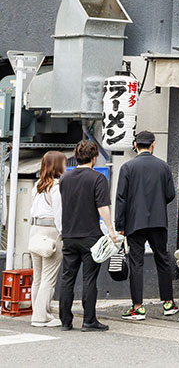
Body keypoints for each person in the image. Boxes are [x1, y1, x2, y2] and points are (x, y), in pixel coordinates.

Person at [114, 130, 178, 321]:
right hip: (158, 220)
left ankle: (138, 307)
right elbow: (170, 195)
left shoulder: (127, 167)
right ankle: (168, 303)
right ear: (152, 144)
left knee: (136, 262)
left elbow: (121, 198)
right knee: (162, 259)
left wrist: (120, 224)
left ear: (135, 145)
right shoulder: (163, 166)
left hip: (135, 221)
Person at [57, 140, 117, 332]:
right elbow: (102, 207)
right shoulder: (98, 179)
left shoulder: (65, 178)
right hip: (90, 236)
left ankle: (65, 321)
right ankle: (89, 320)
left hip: (68, 235)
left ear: (76, 156)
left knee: (67, 278)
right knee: (89, 278)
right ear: (94, 157)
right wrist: (110, 229)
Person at [28, 151, 65, 328]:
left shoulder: (37, 186)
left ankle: (37, 311)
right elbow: (59, 216)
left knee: (38, 276)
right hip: (51, 232)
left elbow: (31, 211)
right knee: (49, 278)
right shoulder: (56, 188)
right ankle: (42, 316)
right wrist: (64, 234)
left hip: (35, 231)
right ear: (57, 166)